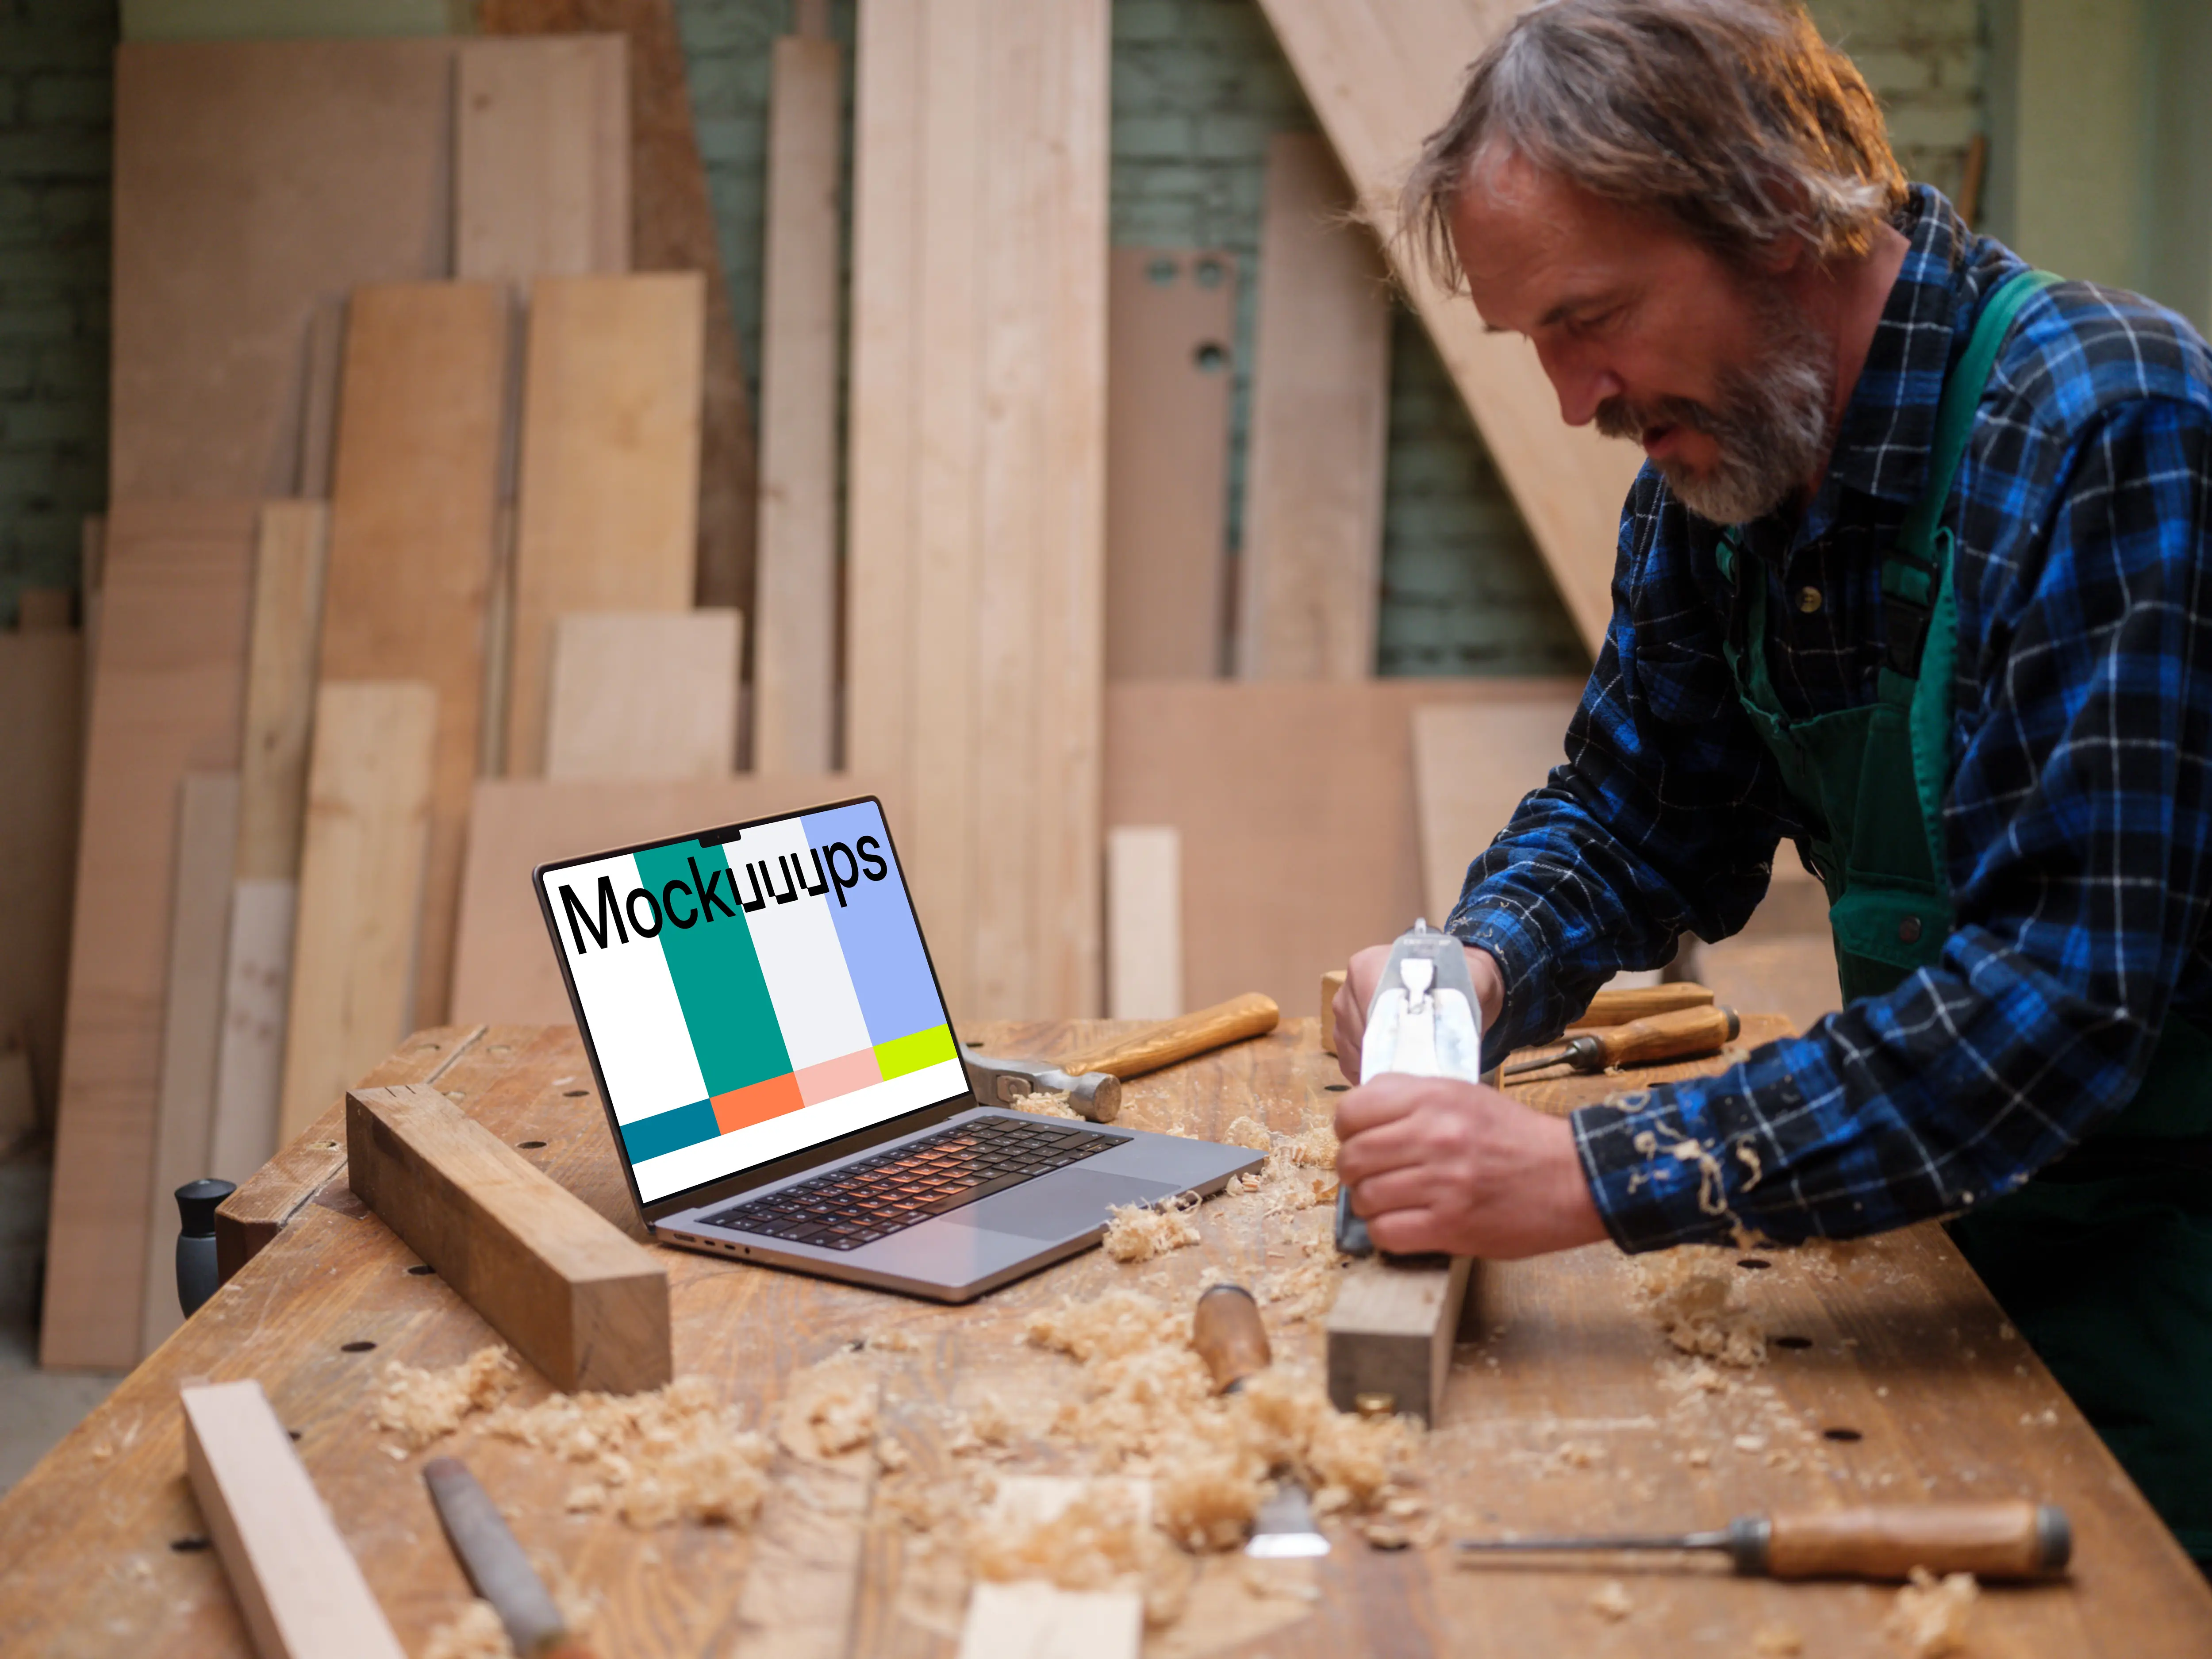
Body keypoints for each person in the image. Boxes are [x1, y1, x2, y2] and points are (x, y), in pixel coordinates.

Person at [1328, 0, 2212, 1565]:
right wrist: (1480, 965)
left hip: (2173, 1271)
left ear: (1776, 213)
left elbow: (2061, 994)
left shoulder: (2108, 428)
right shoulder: (1721, 475)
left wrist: (1594, 1170)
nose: (1577, 399)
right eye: (1537, 344)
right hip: (1963, 1233)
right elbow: (1635, 808)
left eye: (1591, 318)